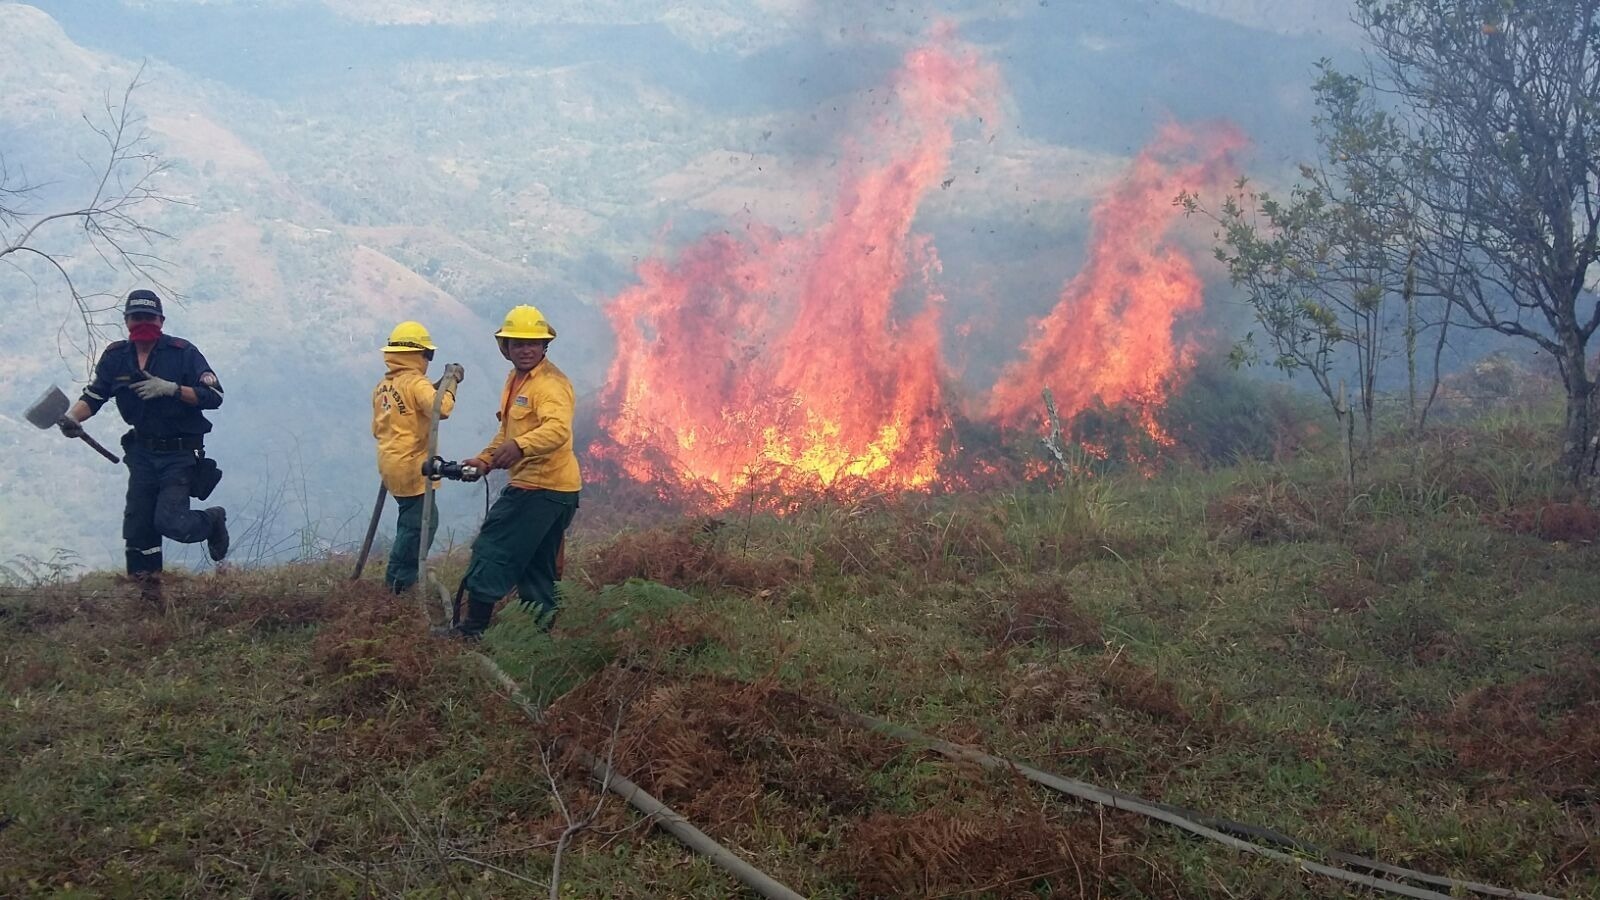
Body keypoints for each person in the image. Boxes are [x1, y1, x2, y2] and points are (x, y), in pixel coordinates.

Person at [59, 288, 229, 599]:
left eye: (148, 317)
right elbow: (94, 396)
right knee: (139, 528)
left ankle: (212, 519)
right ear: (126, 321)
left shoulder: (183, 353)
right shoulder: (116, 358)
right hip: (141, 453)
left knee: (172, 522)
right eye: (136, 317)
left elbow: (214, 396)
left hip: (180, 454)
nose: (142, 323)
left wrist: (173, 389)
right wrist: (73, 418)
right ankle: (148, 596)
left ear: (161, 320)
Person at [441, 304, 580, 639]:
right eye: (518, 343)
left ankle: (472, 630)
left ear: (545, 346)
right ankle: (538, 641)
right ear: (505, 348)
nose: (526, 349)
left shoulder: (550, 385)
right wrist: (486, 459)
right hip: (553, 491)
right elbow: (507, 433)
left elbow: (557, 430)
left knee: (493, 550)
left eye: (533, 343)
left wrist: (520, 448)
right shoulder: (516, 380)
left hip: (541, 488)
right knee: (537, 566)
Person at [371, 321, 463, 594]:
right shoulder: (415, 382)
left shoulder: (385, 385)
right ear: (418, 354)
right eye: (427, 355)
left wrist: (437, 385)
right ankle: (400, 580)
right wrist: (453, 382)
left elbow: (409, 408)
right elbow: (441, 408)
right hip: (413, 466)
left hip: (389, 462)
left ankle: (400, 578)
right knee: (420, 525)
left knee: (408, 518)